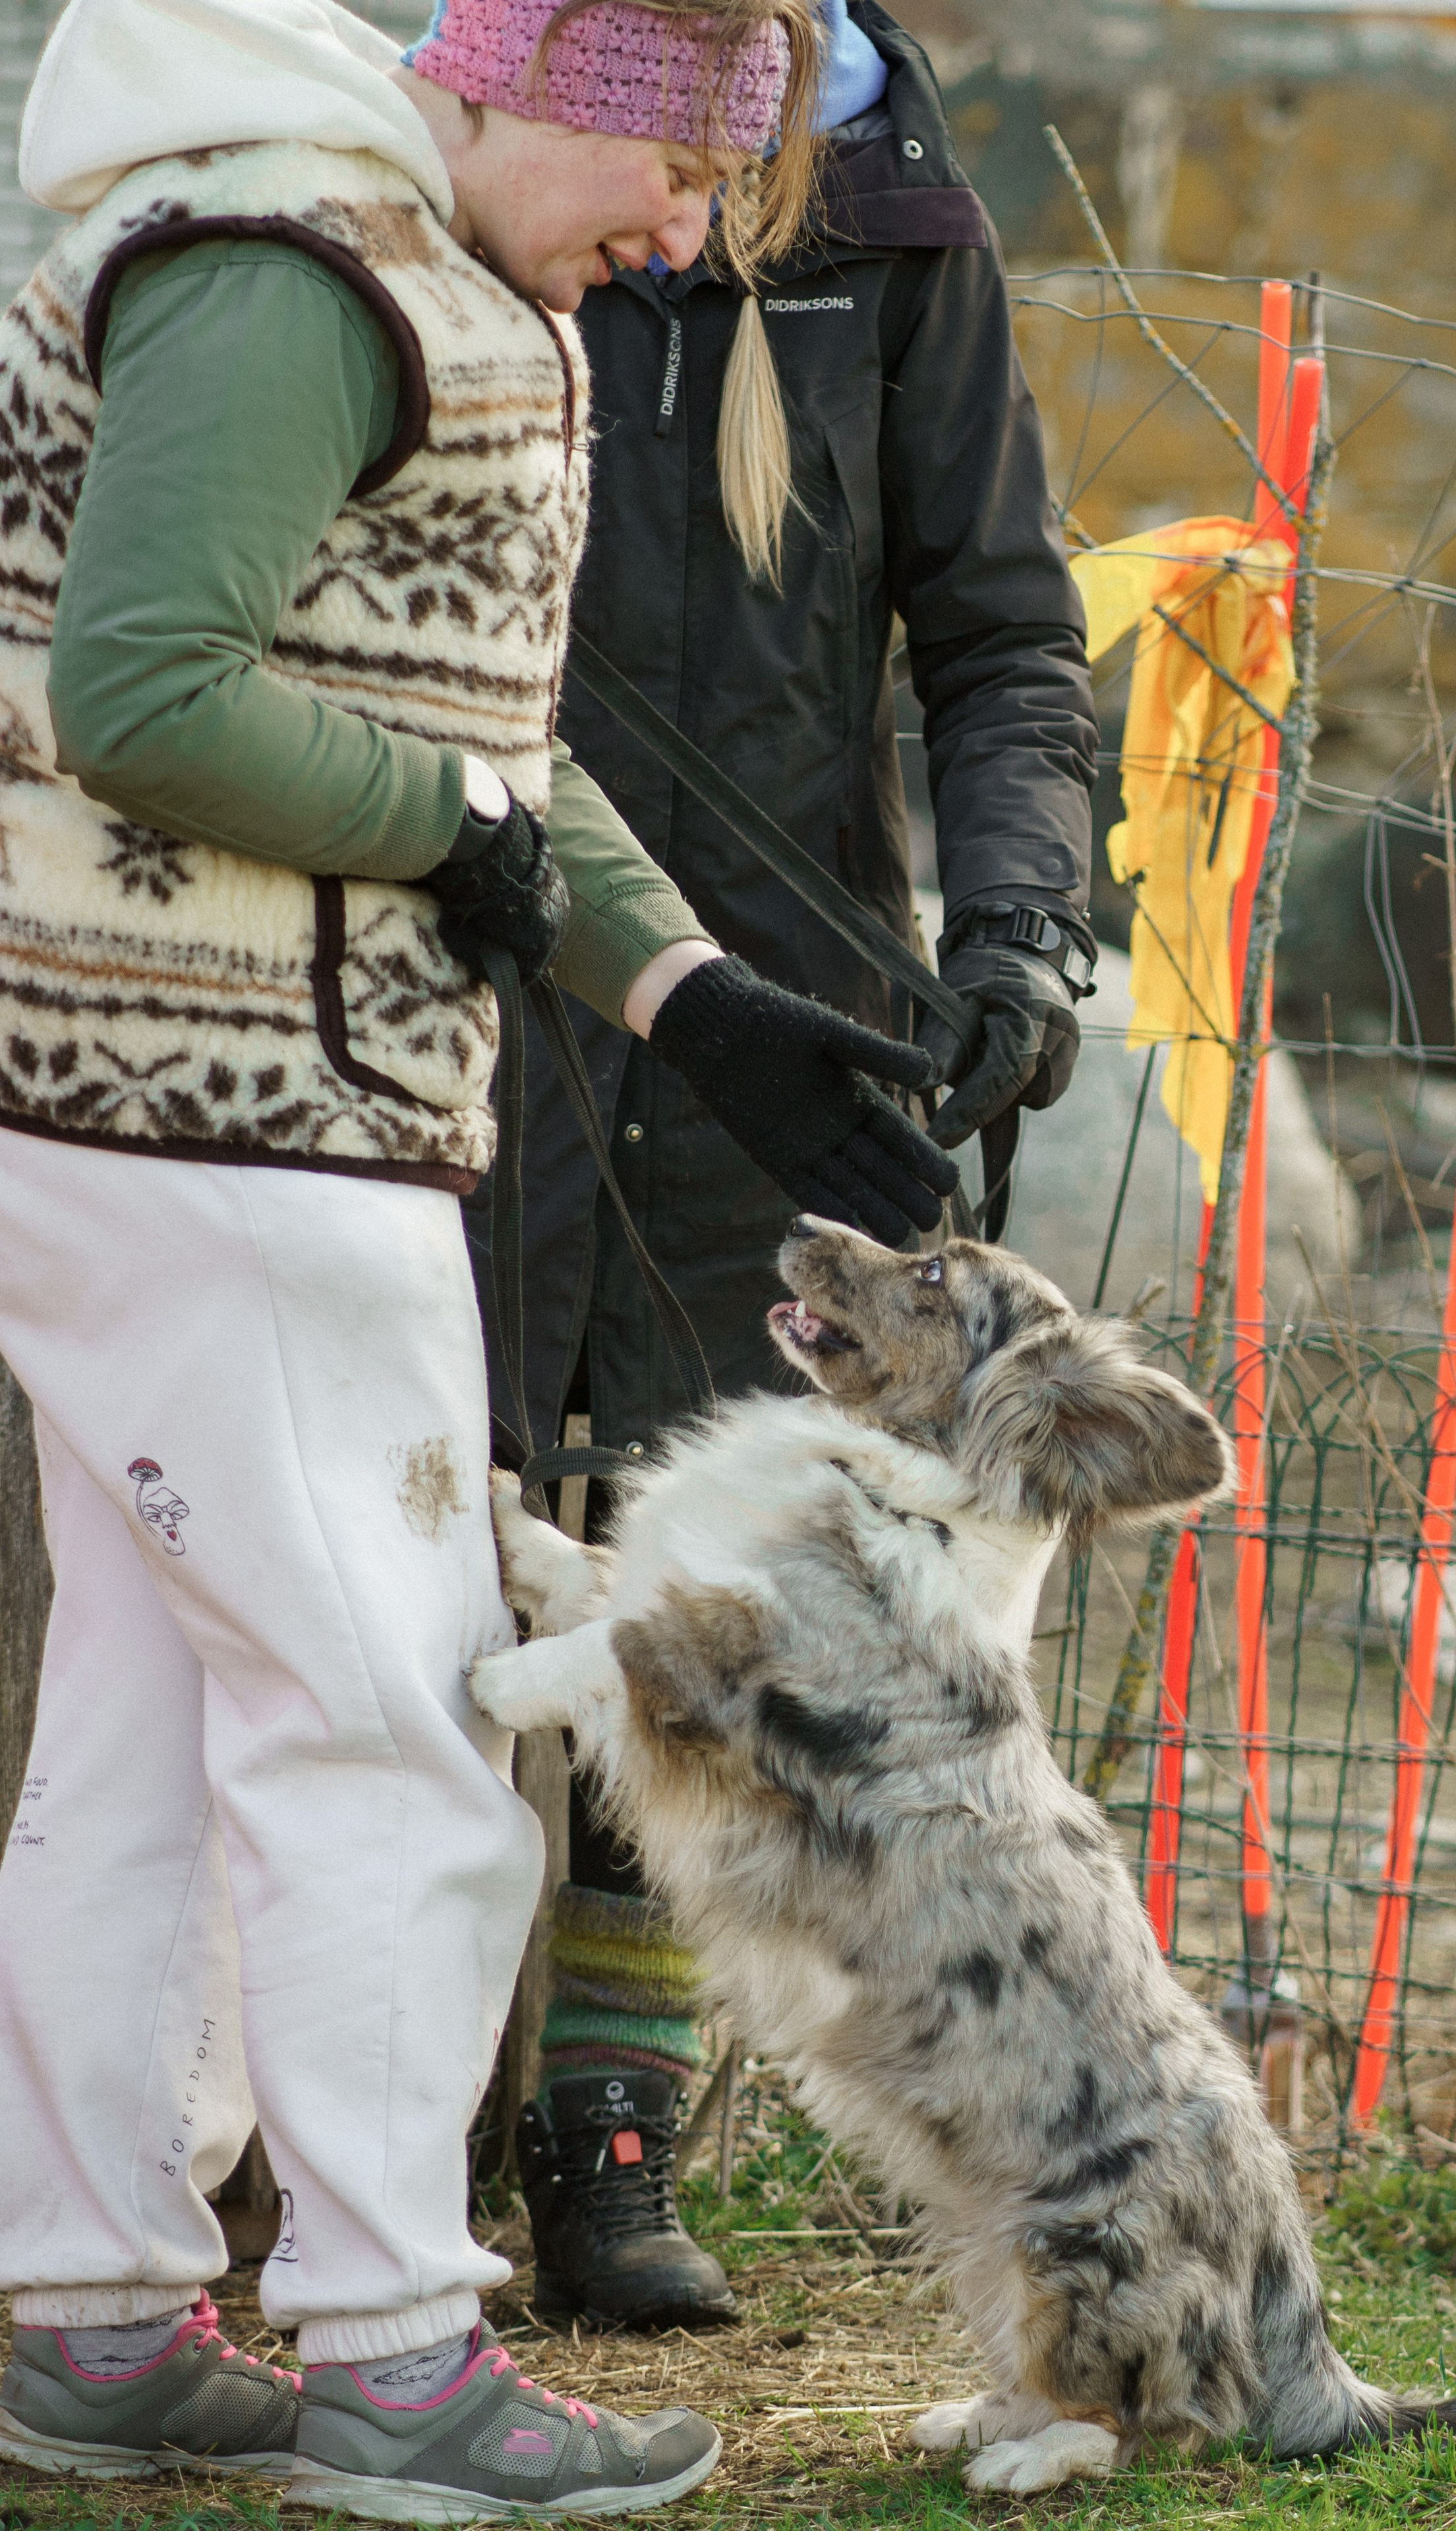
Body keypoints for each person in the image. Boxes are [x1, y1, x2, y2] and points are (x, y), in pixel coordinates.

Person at [0, 0, 958, 2516]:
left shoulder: (383, 254)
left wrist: (691, 996)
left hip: (185, 1108)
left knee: (150, 1727)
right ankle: (397, 2347)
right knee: (393, 1726)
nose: (678, 239)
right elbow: (144, 689)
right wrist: (460, 838)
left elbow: (471, 735)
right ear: (569, 81)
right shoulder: (293, 267)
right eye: (676, 176)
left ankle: (93, 2309)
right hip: (244, 1120)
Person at [492, 0, 1099, 2333]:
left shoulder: (904, 238)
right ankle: (364, 2119)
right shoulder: (492, 150)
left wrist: (1017, 921)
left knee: (720, 1565)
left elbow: (1002, 630)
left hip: (793, 1010)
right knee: (411, 1521)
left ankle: (611, 2127)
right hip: (481, 955)